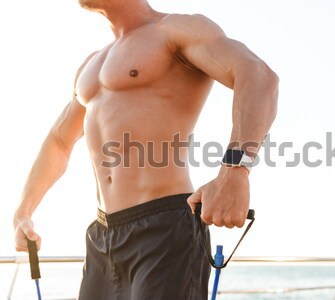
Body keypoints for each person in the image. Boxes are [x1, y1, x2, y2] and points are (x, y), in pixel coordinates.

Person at [13, 0, 278, 299]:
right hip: (102, 236)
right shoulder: (91, 64)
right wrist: (24, 212)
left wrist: (235, 171)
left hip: (165, 228)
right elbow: (59, 141)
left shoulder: (175, 30)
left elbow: (258, 75)